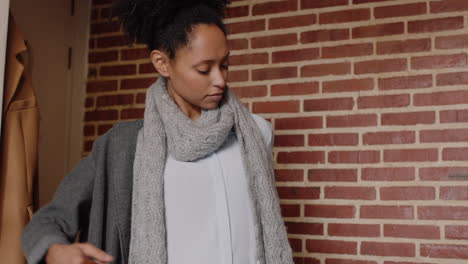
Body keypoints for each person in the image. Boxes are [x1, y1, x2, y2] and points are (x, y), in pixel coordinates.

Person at [21, 0, 294, 263]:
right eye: (204, 69)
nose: (220, 80)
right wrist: (55, 251)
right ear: (162, 63)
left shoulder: (255, 133)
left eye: (224, 65)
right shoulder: (122, 147)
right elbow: (48, 220)